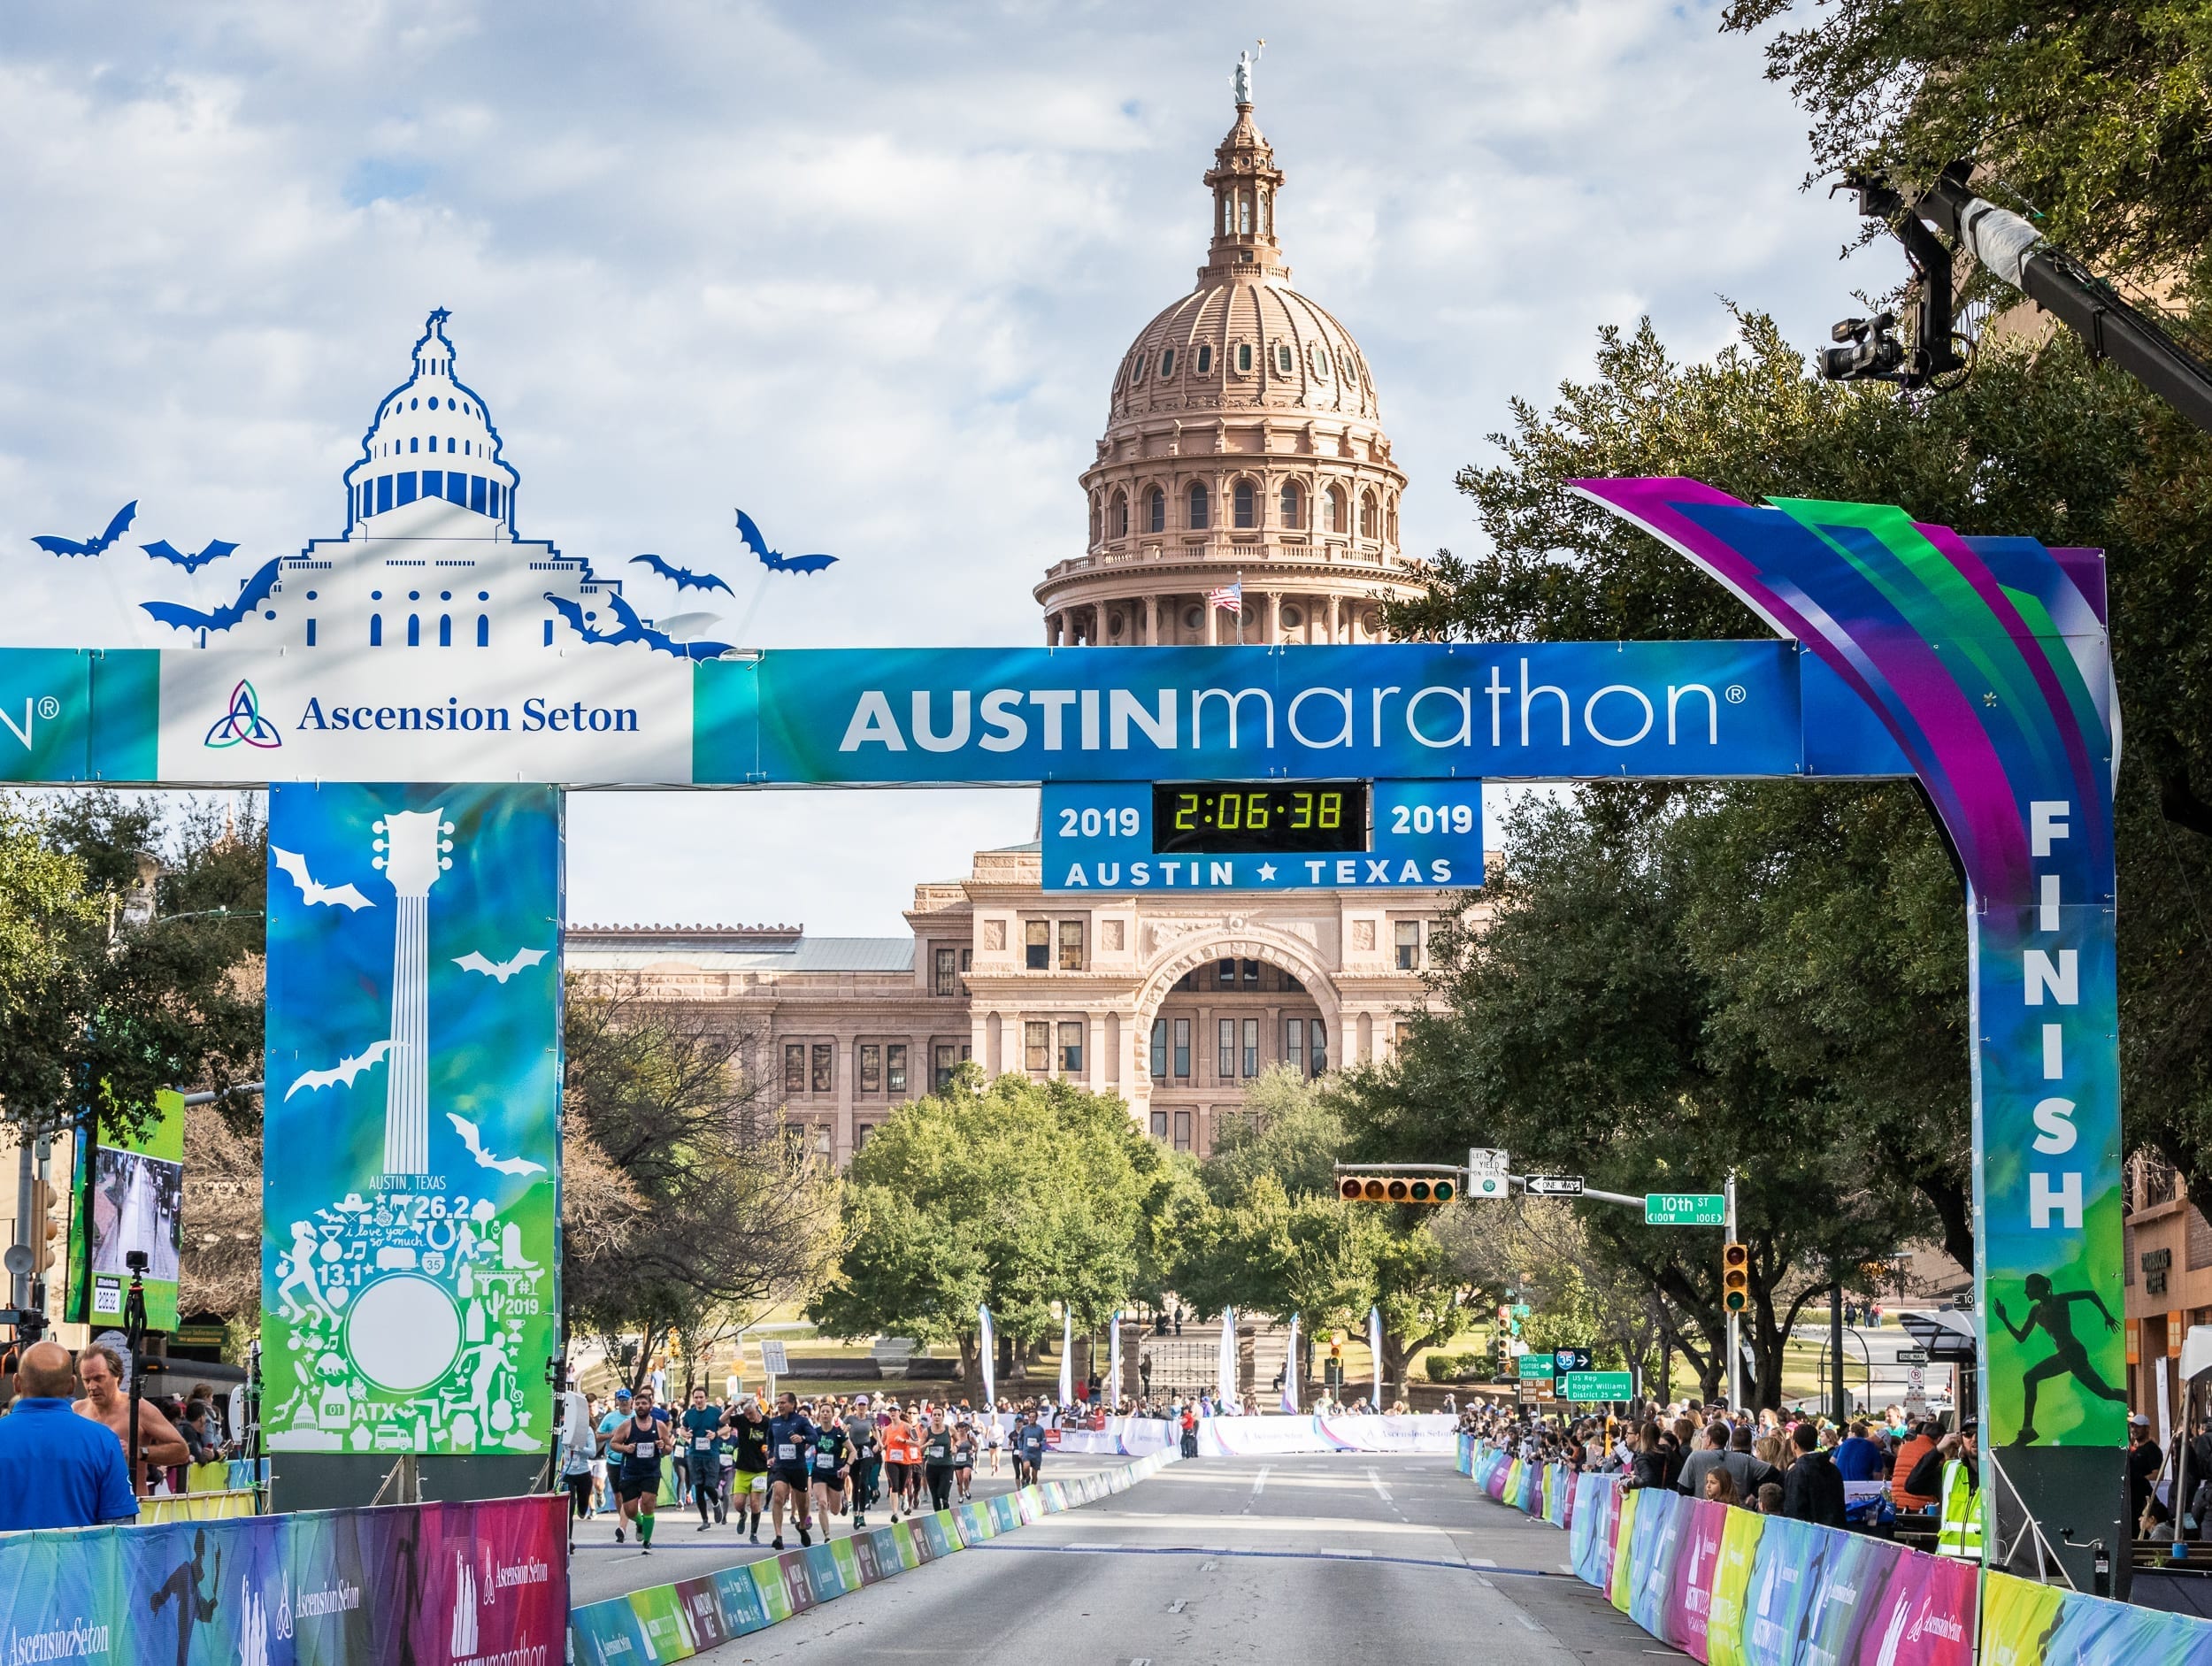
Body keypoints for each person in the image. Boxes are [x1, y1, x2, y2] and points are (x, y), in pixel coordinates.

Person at [0, 1341, 140, 1530]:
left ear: (16, 1383)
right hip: (76, 1559)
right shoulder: (103, 1442)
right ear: (72, 1385)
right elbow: (118, 1529)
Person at [73, 1341, 189, 1494]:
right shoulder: (77, 1410)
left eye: (99, 1378)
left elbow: (182, 1451)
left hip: (129, 1507)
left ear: (117, 1377)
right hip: (87, 1506)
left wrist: (139, 1452)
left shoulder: (138, 1408)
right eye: (87, 1380)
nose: (92, 1386)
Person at [607, 1384, 669, 1553]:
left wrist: (663, 1446)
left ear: (650, 1406)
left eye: (644, 1404)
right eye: (638, 1404)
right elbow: (614, 1444)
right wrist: (626, 1449)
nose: (641, 1406)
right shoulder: (627, 1425)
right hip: (630, 1472)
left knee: (649, 1503)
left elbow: (668, 1448)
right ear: (634, 1405)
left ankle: (647, 1542)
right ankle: (640, 1523)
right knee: (631, 1510)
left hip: (651, 1472)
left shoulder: (659, 1425)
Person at [766, 1391, 816, 1548]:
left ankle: (802, 1527)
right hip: (781, 1467)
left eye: (783, 1403)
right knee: (778, 1496)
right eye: (778, 1403)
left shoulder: (801, 1421)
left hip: (798, 1467)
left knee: (802, 1504)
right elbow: (770, 1438)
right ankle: (778, 1536)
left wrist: (803, 1439)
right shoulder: (774, 1422)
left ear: (792, 1404)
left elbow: (814, 1437)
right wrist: (771, 1454)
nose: (780, 1405)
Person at [1783, 1420, 1847, 1528]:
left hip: (1809, 1536)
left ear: (1794, 1444)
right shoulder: (1833, 1469)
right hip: (1835, 1534)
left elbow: (1794, 1511)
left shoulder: (1797, 1472)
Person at [680, 1386, 726, 1530]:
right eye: (696, 1398)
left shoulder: (715, 1412)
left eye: (701, 1397)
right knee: (698, 1487)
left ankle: (716, 1503)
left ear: (706, 1398)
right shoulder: (689, 1414)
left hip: (711, 1455)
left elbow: (727, 1427)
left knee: (708, 1485)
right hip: (694, 1455)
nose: (698, 1400)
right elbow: (682, 1428)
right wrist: (685, 1434)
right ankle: (705, 1520)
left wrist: (715, 1434)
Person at [728, 1397, 772, 1542]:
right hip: (743, 1468)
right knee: (738, 1503)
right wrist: (734, 1406)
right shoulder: (742, 1420)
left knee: (755, 1502)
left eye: (751, 1413)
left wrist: (769, 1451)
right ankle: (742, 1514)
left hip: (760, 1469)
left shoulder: (767, 1423)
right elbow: (722, 1420)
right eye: (746, 1414)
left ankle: (753, 1533)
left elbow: (773, 1440)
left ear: (757, 1409)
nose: (749, 1417)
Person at [809, 1406, 852, 1535]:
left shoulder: (838, 1433)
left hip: (835, 1474)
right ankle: (826, 1535)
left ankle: (843, 1497)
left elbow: (853, 1451)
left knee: (835, 1510)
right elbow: (803, 1447)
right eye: (823, 1412)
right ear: (819, 1415)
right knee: (822, 1503)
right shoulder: (815, 1432)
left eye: (828, 1412)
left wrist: (847, 1465)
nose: (825, 1414)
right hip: (819, 1473)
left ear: (833, 1415)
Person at [843, 1395, 882, 1531]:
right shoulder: (850, 1419)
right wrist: (845, 1430)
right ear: (856, 1405)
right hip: (853, 1450)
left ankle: (862, 1514)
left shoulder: (870, 1418)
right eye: (860, 1404)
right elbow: (842, 1432)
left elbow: (875, 1431)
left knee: (863, 1481)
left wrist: (879, 1442)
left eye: (864, 1405)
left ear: (867, 1406)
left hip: (866, 1450)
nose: (862, 1407)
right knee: (855, 1483)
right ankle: (855, 1513)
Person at [1891, 1417, 1940, 1512]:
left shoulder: (1904, 1448)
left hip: (1897, 1504)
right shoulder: (1935, 1452)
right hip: (1922, 1507)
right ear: (1939, 1439)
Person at [2129, 1414, 2165, 1530]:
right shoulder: (2134, 1450)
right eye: (2132, 1426)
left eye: (2138, 1427)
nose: (2134, 1430)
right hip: (2132, 1499)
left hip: (2144, 1500)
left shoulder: (2153, 1450)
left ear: (2147, 1428)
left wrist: (2140, 1480)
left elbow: (2158, 1474)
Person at [920, 1409, 959, 1511]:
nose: (937, 1417)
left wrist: (955, 1447)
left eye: (939, 1415)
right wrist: (927, 1444)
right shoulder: (926, 1432)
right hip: (932, 1467)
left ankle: (946, 1502)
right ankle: (938, 1516)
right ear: (931, 1417)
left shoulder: (949, 1429)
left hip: (946, 1466)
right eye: (935, 1415)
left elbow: (958, 1440)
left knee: (942, 1492)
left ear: (943, 1417)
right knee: (935, 1496)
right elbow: (920, 1450)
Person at [1679, 1422, 1731, 1499]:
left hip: (1703, 1508)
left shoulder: (1695, 1456)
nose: (1701, 1440)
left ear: (1709, 1440)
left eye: (1702, 1437)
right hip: (1731, 1509)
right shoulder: (1744, 1459)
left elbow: (1683, 1490)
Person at [1013, 1408, 1048, 1486]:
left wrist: (1039, 1444)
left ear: (1036, 1418)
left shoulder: (1040, 1429)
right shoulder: (1025, 1429)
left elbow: (1044, 1439)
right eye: (1030, 1417)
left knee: (1035, 1475)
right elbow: (1019, 1439)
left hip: (1036, 1453)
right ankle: (1027, 1477)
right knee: (1026, 1466)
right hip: (1027, 1452)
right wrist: (1020, 1450)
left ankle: (1033, 1487)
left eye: (1033, 1417)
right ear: (1028, 1418)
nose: (1031, 1419)